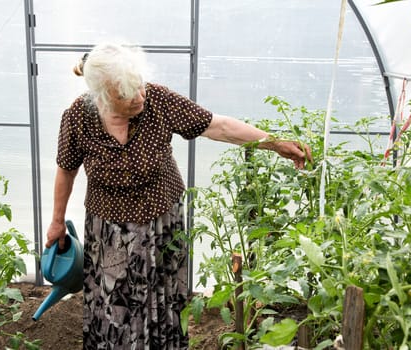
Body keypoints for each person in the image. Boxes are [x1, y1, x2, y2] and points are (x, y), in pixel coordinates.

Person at [45, 41, 312, 350]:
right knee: (114, 305)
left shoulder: (158, 100)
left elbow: (218, 126)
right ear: (103, 98)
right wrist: (56, 221)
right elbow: (66, 169)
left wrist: (275, 143)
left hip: (161, 222)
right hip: (110, 230)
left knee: (164, 298)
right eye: (127, 94)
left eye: (140, 86)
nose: (139, 97)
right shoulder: (78, 116)